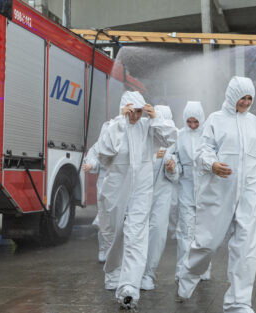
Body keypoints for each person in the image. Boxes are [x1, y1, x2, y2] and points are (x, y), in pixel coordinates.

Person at [178, 77, 256, 313]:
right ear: (232, 96)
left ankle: (239, 302)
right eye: (242, 97)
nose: (246, 102)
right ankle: (188, 273)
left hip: (248, 191)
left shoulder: (253, 122)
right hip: (219, 192)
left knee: (246, 246)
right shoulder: (215, 121)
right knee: (207, 243)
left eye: (250, 98)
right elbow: (202, 151)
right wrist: (212, 164)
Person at [97, 91, 177, 309]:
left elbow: (171, 138)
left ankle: (129, 288)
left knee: (136, 235)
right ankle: (113, 272)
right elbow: (104, 153)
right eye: (131, 112)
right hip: (115, 189)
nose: (135, 116)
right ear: (124, 109)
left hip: (141, 189)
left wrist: (155, 118)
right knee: (114, 234)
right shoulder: (111, 126)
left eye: (139, 112)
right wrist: (120, 123)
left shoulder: (148, 128)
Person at [141, 105, 179, 291]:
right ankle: (132, 272)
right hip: (141, 194)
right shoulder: (143, 135)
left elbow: (178, 173)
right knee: (136, 232)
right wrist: (153, 157)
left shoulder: (174, 139)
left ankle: (148, 273)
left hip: (162, 194)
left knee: (157, 232)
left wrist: (172, 168)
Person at [173, 101, 211, 282]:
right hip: (186, 190)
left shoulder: (208, 135)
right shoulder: (179, 136)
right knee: (185, 232)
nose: (193, 125)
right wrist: (172, 165)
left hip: (206, 191)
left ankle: (202, 269)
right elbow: (174, 158)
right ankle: (183, 270)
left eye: (196, 121)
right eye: (189, 122)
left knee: (204, 232)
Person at [82, 121, 109, 263]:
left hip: (122, 186)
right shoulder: (99, 146)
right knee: (103, 219)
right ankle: (103, 248)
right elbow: (93, 157)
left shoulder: (123, 144)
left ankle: (117, 250)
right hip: (104, 185)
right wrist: (91, 164)